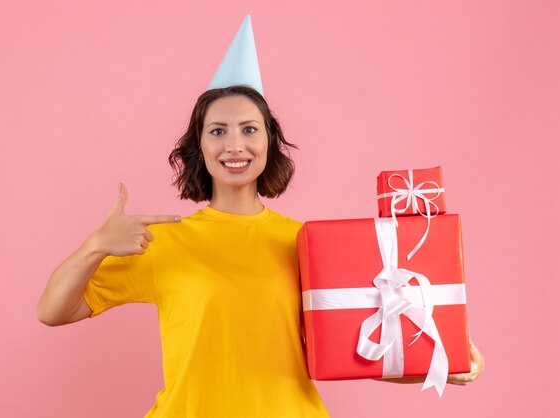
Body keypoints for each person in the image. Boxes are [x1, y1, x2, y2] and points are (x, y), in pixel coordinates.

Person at [37, 16, 484, 418]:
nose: (235, 145)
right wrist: (95, 245)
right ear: (200, 149)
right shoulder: (162, 242)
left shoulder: (306, 244)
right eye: (218, 131)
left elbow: (352, 351)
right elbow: (53, 311)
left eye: (249, 129)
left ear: (269, 142)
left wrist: (444, 364)